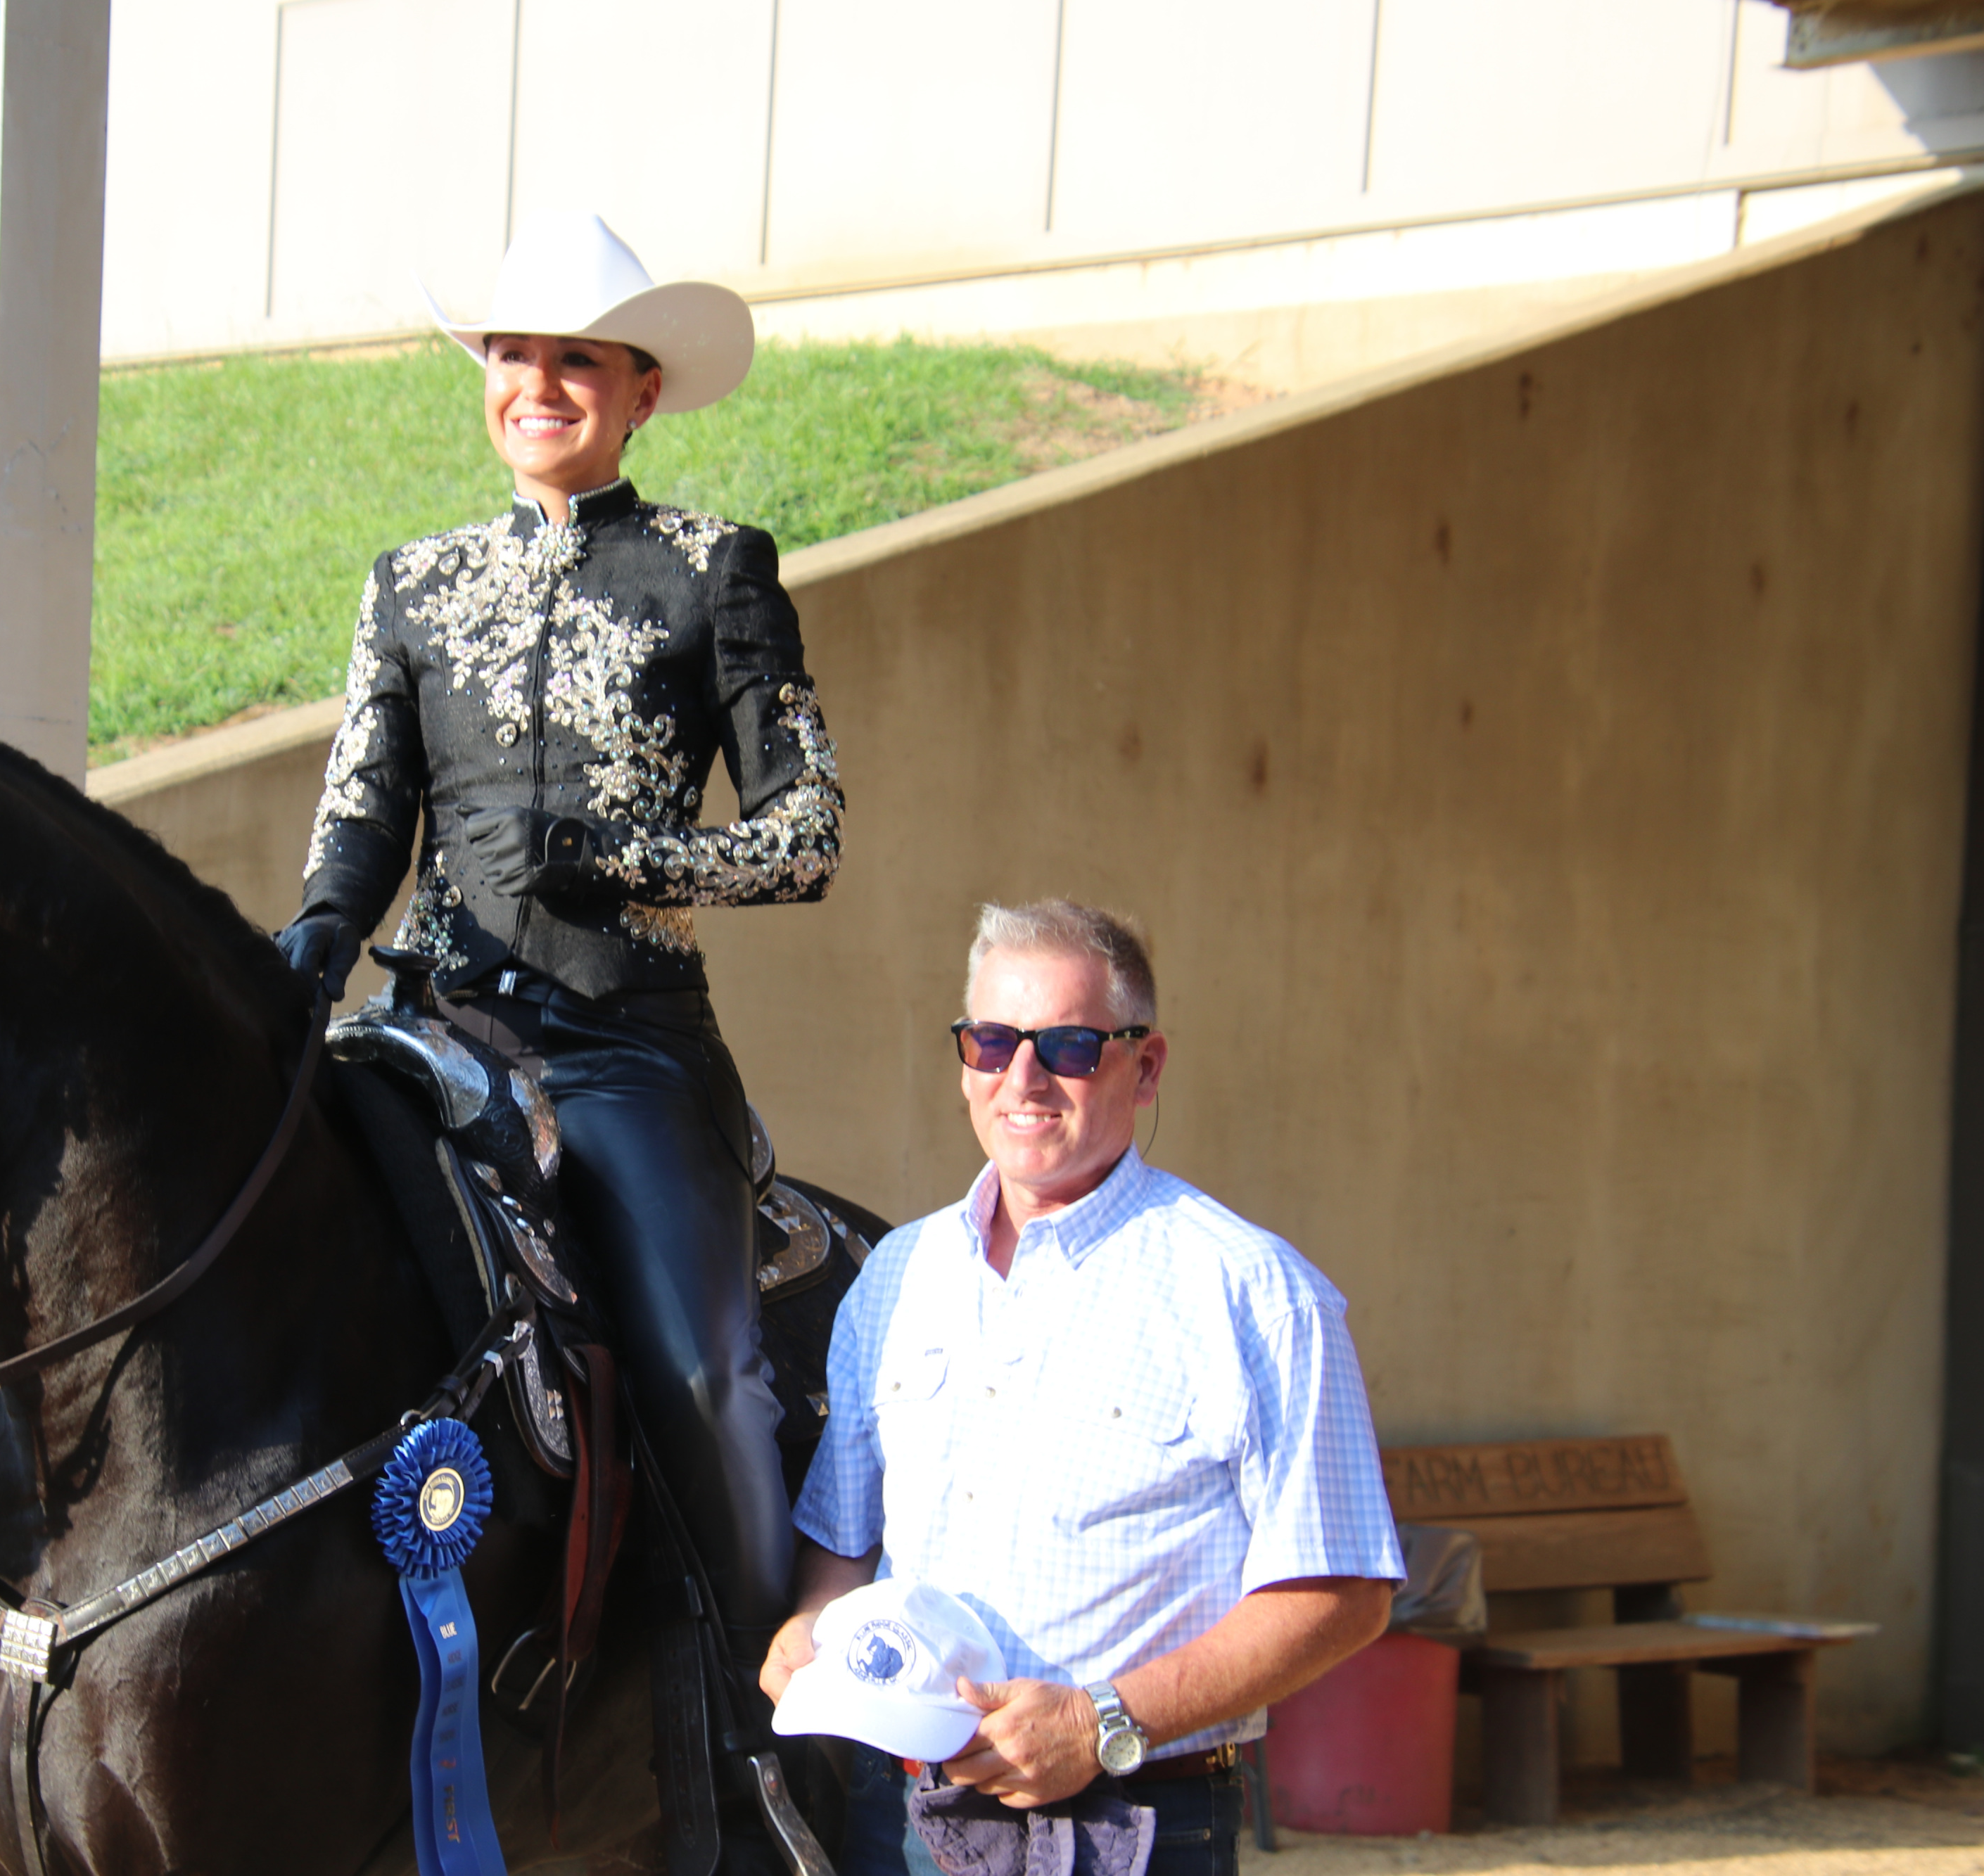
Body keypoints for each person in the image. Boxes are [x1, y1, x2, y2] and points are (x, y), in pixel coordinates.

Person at [274, 212, 844, 1702]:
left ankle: (764, 1711)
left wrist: (619, 858)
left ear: (643, 389)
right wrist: (317, 931)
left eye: (576, 360)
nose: (537, 384)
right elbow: (362, 817)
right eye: (512, 354)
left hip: (622, 1044)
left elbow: (807, 834)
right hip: (428, 1026)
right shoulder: (409, 584)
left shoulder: (713, 569)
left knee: (702, 1367)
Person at [765, 900, 1403, 1876]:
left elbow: (1344, 1593)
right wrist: (814, 1624)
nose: (1023, 1079)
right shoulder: (896, 1277)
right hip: (901, 1822)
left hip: (1132, 1826)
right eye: (991, 1042)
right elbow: (843, 1543)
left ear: (1144, 1068)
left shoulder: (1254, 1293)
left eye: (1067, 1046)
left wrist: (1100, 1721)